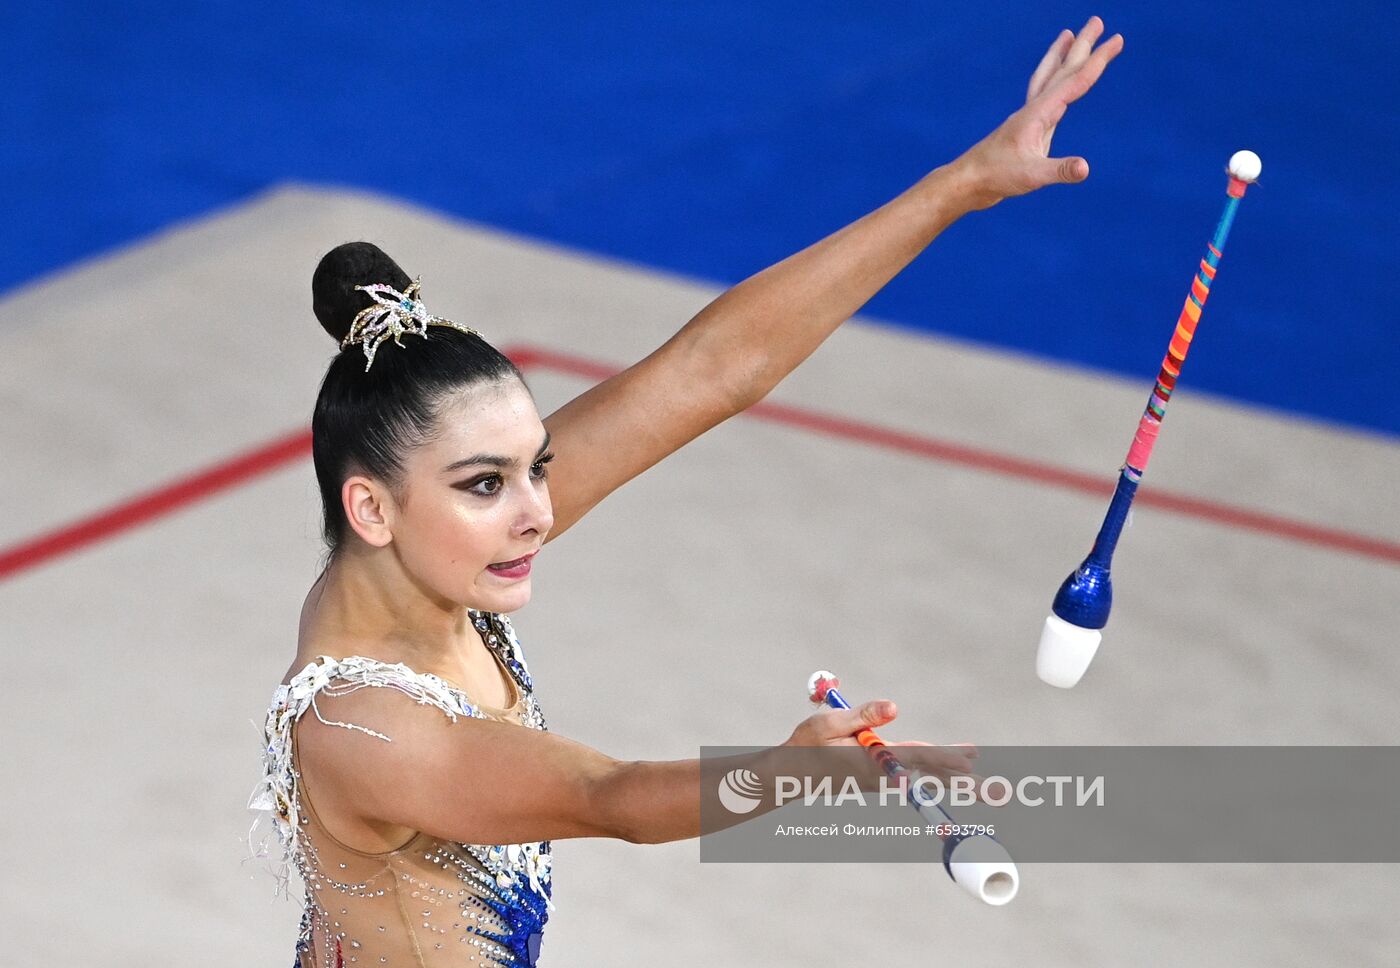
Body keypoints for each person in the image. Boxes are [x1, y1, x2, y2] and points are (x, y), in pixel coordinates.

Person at [250, 19, 1123, 967]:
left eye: (537, 464)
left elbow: (713, 368)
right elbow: (608, 800)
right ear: (371, 507)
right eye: (486, 484)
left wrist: (963, 185)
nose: (538, 510)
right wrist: (780, 780)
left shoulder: (432, 556)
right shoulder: (365, 728)